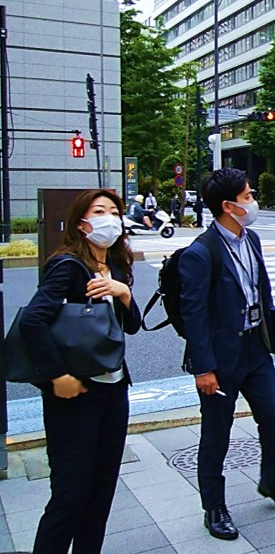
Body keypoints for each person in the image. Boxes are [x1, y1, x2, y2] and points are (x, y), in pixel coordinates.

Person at [179, 168, 275, 541]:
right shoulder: (201, 252)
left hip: (255, 347)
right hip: (219, 357)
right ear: (229, 206)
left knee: (274, 417)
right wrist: (204, 368)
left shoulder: (253, 239)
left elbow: (261, 291)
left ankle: (272, 482)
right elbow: (193, 315)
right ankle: (214, 506)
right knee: (217, 433)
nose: (253, 201)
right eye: (248, 196)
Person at [19, 189, 141, 553]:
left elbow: (130, 326)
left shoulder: (116, 265)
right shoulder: (68, 266)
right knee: (69, 497)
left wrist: (123, 293)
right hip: (75, 396)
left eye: (115, 211)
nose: (110, 218)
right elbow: (33, 322)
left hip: (114, 392)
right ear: (81, 222)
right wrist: (58, 376)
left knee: (101, 494)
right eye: (99, 211)